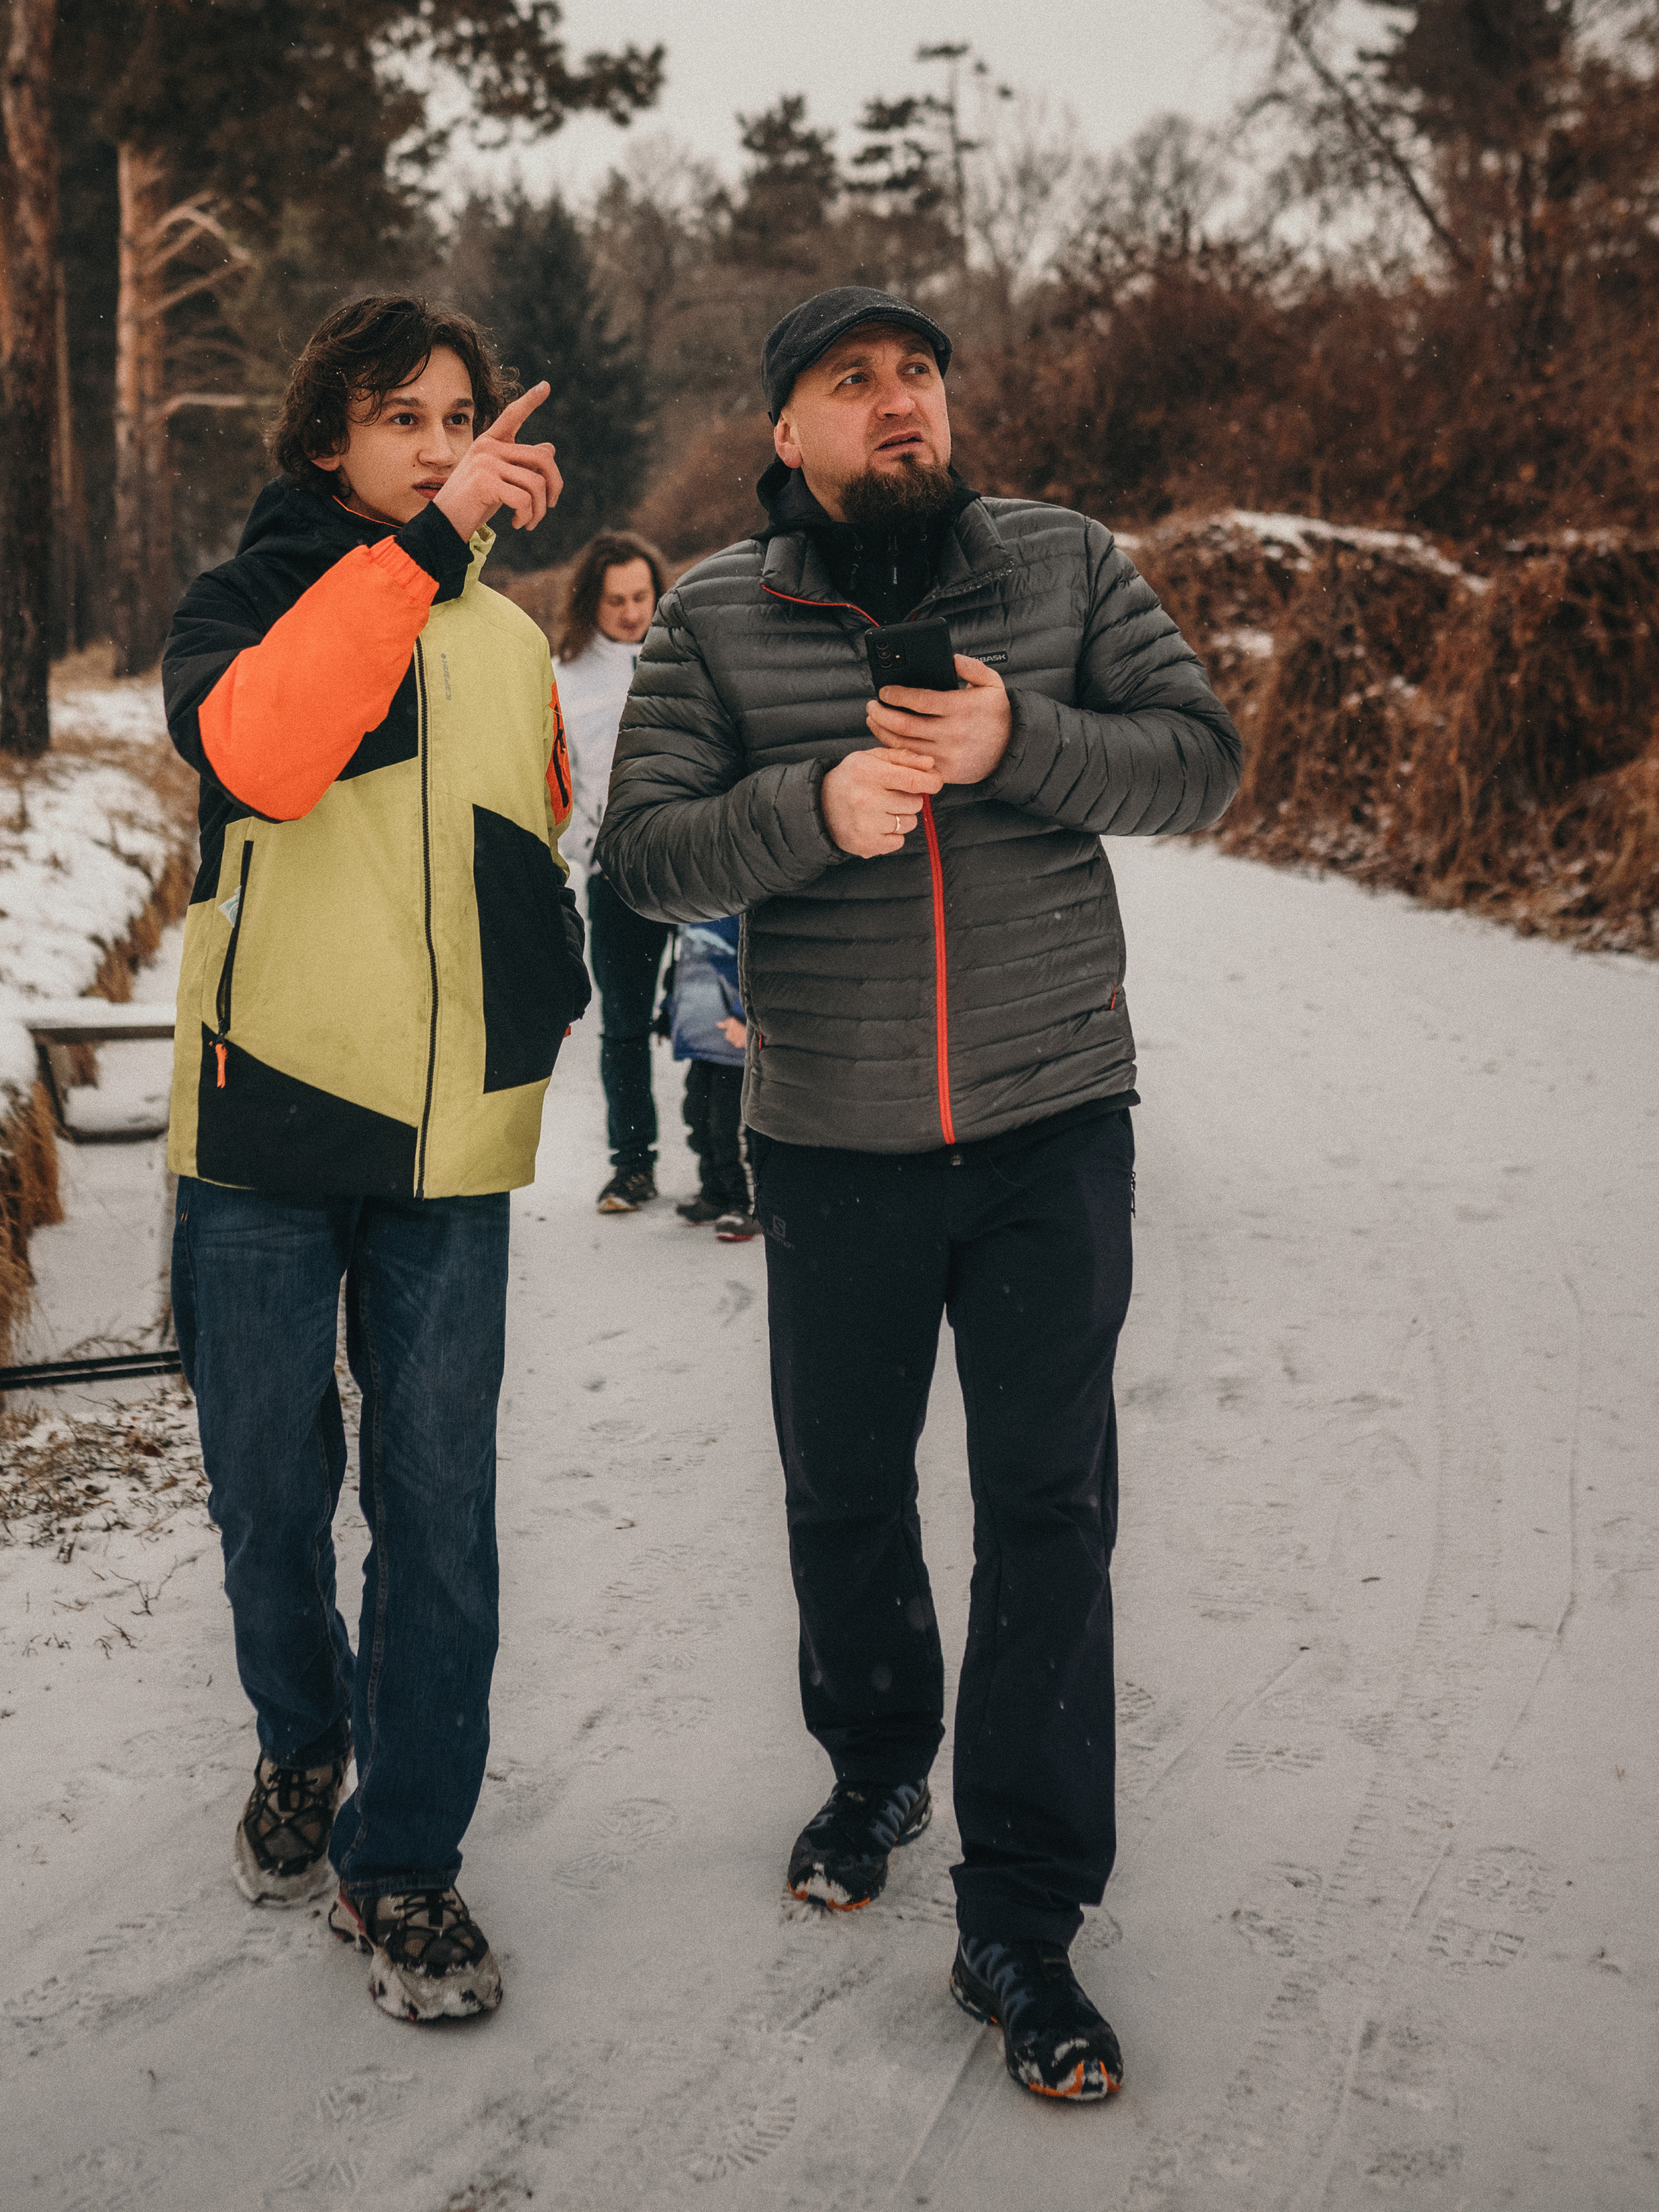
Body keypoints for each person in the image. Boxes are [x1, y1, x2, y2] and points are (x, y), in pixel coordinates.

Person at [598, 286, 1242, 2107]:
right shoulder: (719, 616)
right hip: (830, 1143)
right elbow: (642, 855)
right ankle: (876, 1753)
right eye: (849, 381)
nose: (899, 403)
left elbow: (1197, 760)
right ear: (782, 431)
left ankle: (1022, 1911)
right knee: (842, 1482)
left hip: (1050, 1125)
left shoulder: (1063, 568)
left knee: (1048, 1506)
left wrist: (1009, 745)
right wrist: (811, 805)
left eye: (918, 376)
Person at [161, 294, 590, 2027]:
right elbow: (267, 756)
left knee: (438, 1515)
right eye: (403, 415)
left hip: (447, 1145)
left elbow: (533, 823)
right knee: (271, 1488)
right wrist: (419, 550)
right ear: (323, 437)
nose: (441, 441)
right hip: (264, 1124)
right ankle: (302, 1735)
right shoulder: (241, 603)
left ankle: (403, 1853)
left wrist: (541, 1003)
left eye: (460, 413)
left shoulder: (503, 638)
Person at [553, 531, 672, 1214]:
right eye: (616, 600)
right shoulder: (563, 679)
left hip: (699, 862)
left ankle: (729, 1170)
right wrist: (586, 847)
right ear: (589, 603)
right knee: (625, 1023)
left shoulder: (685, 655)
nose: (632, 613)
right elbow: (552, 784)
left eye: (641, 597)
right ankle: (632, 1165)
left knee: (723, 1020)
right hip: (618, 873)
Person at [665, 913, 757, 1237]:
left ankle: (745, 1204)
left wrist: (743, 1015)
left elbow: (756, 966)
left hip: (733, 1048)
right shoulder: (690, 912)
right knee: (698, 1119)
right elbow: (683, 968)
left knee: (728, 1126)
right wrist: (668, 1012)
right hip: (700, 1039)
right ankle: (714, 1194)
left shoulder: (739, 911)